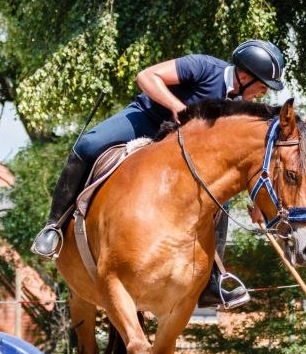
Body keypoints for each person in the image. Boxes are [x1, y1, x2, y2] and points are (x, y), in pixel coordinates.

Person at [30, 39, 287, 309]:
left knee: (218, 196)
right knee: (87, 145)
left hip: (178, 149)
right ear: (245, 76)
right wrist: (177, 107)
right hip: (147, 120)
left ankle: (212, 281)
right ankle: (54, 227)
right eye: (262, 86)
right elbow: (146, 76)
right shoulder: (203, 66)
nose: (262, 93)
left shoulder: (237, 106)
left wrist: (260, 205)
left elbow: (238, 161)